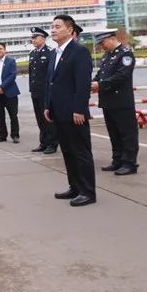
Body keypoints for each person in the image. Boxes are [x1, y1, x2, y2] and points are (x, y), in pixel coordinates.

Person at [45, 14, 97, 207]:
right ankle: (75, 187)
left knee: (80, 151)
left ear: (70, 30)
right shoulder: (55, 53)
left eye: (57, 26)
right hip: (58, 112)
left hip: (74, 112)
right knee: (67, 151)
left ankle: (87, 191)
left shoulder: (79, 51)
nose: (53, 30)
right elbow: (51, 84)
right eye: (52, 26)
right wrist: (48, 106)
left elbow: (82, 84)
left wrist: (79, 109)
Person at [91, 30, 139, 176]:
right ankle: (117, 160)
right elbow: (101, 74)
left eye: (103, 43)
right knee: (114, 133)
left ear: (112, 39)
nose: (101, 46)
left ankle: (129, 163)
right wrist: (94, 82)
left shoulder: (125, 54)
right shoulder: (108, 56)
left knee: (127, 134)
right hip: (108, 101)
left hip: (122, 102)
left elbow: (122, 76)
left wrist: (101, 85)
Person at [28, 28, 57, 154]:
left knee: (48, 118)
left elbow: (52, 74)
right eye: (32, 38)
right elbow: (31, 74)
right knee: (40, 118)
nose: (33, 40)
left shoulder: (51, 52)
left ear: (44, 38)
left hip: (46, 92)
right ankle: (43, 142)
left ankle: (52, 143)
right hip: (35, 92)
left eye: (36, 37)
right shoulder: (33, 53)